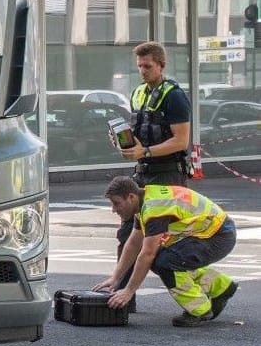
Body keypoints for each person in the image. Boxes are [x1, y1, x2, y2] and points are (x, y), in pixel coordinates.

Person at [95, 175, 238, 327]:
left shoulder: (154, 209)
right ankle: (222, 287)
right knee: (165, 260)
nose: (113, 210)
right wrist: (116, 278)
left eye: (117, 204)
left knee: (166, 262)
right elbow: (133, 244)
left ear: (130, 197)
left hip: (218, 235)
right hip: (212, 232)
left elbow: (147, 253)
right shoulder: (145, 200)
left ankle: (199, 310)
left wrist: (129, 291)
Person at [111, 40, 191, 308]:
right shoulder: (139, 93)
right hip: (143, 173)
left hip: (168, 175)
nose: (143, 71)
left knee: (164, 244)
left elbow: (181, 141)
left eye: (148, 66)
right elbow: (140, 133)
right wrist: (124, 142)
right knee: (127, 233)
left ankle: (202, 298)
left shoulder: (174, 96)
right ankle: (119, 297)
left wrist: (143, 152)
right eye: (139, 66)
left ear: (161, 66)